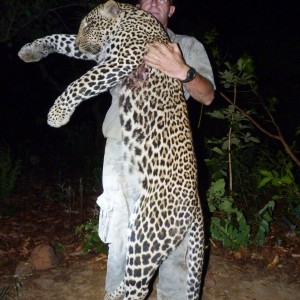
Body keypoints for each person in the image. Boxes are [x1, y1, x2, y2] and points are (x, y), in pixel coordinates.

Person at [97, 0, 215, 299]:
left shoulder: (185, 44)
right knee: (124, 234)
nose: (153, 3)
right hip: (122, 145)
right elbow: (95, 67)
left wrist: (182, 70)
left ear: (171, 9)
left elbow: (207, 96)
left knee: (175, 237)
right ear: (137, 6)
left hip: (170, 155)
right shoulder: (119, 35)